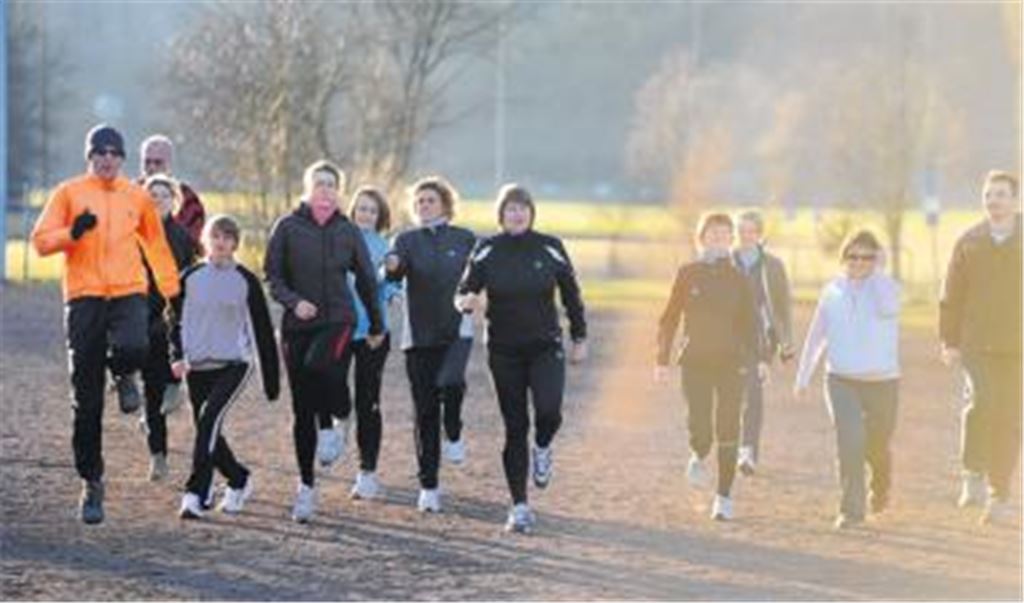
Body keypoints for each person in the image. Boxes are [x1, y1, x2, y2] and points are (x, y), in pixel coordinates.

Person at [30, 124, 181, 524]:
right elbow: (41, 241)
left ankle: (124, 371)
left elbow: (156, 245)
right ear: (90, 156)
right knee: (87, 398)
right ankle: (92, 482)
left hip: (129, 291)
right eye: (101, 152)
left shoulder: (137, 197)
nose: (109, 158)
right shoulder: (69, 193)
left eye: (115, 152)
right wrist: (72, 233)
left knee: (135, 346)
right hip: (84, 298)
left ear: (123, 158)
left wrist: (171, 291)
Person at [456, 184, 587, 534]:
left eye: (522, 208)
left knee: (549, 412)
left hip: (545, 345)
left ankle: (542, 449)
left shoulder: (551, 247)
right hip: (503, 350)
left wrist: (580, 337)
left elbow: (572, 294)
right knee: (515, 427)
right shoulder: (486, 249)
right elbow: (464, 289)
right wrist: (465, 301)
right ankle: (519, 506)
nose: (516, 213)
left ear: (531, 212)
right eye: (510, 208)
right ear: (501, 214)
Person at [265, 160, 384, 523]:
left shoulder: (347, 231)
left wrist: (377, 323)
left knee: (322, 366)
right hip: (297, 325)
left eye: (332, 184)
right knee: (302, 408)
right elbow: (272, 276)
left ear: (339, 191)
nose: (326, 190)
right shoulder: (287, 227)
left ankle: (339, 416)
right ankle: (306, 488)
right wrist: (293, 301)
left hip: (338, 319)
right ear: (308, 187)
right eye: (319, 183)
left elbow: (365, 279)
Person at [656, 212, 767, 522]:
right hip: (695, 363)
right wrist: (662, 358)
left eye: (724, 235)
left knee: (729, 427)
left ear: (731, 241)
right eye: (713, 234)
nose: (719, 239)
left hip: (732, 364)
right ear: (701, 238)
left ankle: (724, 496)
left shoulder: (739, 279)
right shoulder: (687, 273)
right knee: (700, 424)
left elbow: (751, 324)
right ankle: (698, 452)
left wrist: (759, 359)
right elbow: (669, 318)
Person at [170, 215, 280, 519]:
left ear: (235, 243)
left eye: (227, 238)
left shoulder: (246, 280)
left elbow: (262, 331)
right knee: (209, 430)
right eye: (215, 236)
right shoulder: (189, 277)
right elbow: (173, 321)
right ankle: (238, 478)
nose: (221, 243)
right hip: (196, 367)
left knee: (207, 422)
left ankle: (196, 494)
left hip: (234, 364)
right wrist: (176, 356)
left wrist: (271, 383)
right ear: (206, 240)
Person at [794, 230, 901, 530]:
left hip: (883, 381)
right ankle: (851, 510)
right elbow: (817, 336)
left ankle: (881, 483)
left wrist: (878, 272)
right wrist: (804, 376)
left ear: (876, 259)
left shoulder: (887, 287)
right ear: (844, 258)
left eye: (867, 257)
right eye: (852, 256)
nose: (859, 262)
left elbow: (888, 309)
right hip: (841, 379)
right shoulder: (832, 291)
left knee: (877, 443)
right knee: (850, 440)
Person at [384, 176, 477, 514]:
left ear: (445, 205)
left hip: (456, 333)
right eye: (420, 201)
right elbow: (394, 271)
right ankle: (429, 486)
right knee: (424, 411)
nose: (424, 206)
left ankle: (454, 431)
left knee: (452, 390)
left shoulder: (465, 238)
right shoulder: (406, 240)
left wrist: (477, 297)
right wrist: (391, 266)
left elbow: (480, 275)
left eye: (431, 201)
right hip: (418, 338)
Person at [940, 170, 1022, 526]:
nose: (994, 201)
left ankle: (999, 494)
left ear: (1015, 199)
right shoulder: (969, 241)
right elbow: (951, 295)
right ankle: (972, 472)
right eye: (989, 195)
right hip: (976, 342)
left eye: (1001, 195)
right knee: (982, 400)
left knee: (1009, 416)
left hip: (1017, 346)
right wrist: (948, 341)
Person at [315, 186, 402, 500]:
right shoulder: (335, 239)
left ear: (380, 217)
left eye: (372, 210)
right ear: (352, 211)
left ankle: (367, 472)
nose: (366, 214)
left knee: (369, 400)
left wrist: (383, 315)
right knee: (331, 384)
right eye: (361, 208)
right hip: (338, 329)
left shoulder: (385, 248)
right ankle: (341, 416)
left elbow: (393, 286)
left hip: (372, 334)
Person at [138, 174, 197, 482]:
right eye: (152, 194)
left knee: (164, 381)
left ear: (173, 200)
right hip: (142, 317)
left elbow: (191, 279)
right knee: (151, 393)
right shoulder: (133, 234)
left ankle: (175, 385)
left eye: (163, 195)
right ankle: (158, 456)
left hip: (175, 318)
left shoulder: (183, 238)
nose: (157, 199)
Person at [732, 210, 794, 476]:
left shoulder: (773, 266)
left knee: (753, 395)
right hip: (727, 340)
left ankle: (748, 451)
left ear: (759, 234)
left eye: (750, 231)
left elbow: (782, 308)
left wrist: (785, 345)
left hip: (760, 341)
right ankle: (732, 444)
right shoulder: (725, 262)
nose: (745, 236)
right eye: (741, 231)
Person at [139, 134, 206, 250]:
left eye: (157, 162)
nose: (151, 167)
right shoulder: (130, 193)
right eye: (147, 162)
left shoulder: (188, 198)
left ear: (169, 164)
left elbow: (194, 241)